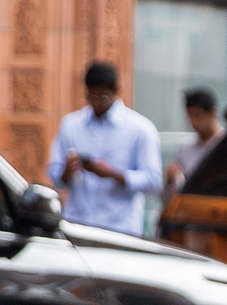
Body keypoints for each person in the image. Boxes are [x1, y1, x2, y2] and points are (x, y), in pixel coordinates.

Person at [46, 62, 163, 234]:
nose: (96, 103)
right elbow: (54, 174)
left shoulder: (140, 129)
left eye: (102, 97)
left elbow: (153, 182)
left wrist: (113, 173)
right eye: (91, 97)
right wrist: (67, 171)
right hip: (77, 223)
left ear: (116, 90)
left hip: (120, 227)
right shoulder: (71, 124)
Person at [167, 88, 225, 191]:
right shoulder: (185, 148)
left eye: (198, 115)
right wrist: (171, 180)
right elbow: (172, 195)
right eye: (189, 115)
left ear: (213, 113)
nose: (193, 121)